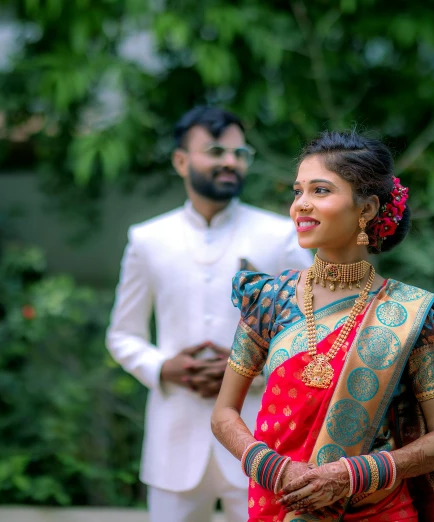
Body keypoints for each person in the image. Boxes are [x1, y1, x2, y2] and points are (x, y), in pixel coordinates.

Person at [211, 130, 434, 522]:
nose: (301, 206)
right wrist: (275, 470)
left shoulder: (413, 314)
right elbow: (224, 414)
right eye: (297, 192)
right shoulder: (268, 300)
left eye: (321, 191)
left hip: (380, 510)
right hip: (282, 503)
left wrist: (351, 474)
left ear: (367, 209)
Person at [106, 106, 313, 522]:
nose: (230, 162)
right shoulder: (147, 239)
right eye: (216, 150)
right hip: (174, 439)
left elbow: (314, 332)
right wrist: (164, 367)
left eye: (240, 153)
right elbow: (122, 335)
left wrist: (252, 371)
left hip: (260, 439)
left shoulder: (280, 235)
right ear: (181, 160)